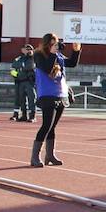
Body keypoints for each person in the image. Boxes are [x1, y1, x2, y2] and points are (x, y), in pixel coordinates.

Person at [31, 35, 81, 166]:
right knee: (46, 125)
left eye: (56, 43)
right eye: (52, 44)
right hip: (47, 93)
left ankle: (50, 155)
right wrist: (53, 53)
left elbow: (71, 63)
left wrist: (76, 51)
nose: (56, 46)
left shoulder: (58, 56)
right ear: (46, 44)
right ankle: (35, 157)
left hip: (60, 93)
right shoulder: (39, 55)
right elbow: (47, 68)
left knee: (52, 127)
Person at [10, 44, 37, 122]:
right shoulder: (18, 59)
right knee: (22, 99)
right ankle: (24, 115)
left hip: (30, 81)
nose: (29, 51)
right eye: (27, 49)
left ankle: (32, 116)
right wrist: (17, 75)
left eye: (30, 49)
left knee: (31, 98)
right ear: (23, 50)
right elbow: (12, 70)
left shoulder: (35, 59)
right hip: (20, 82)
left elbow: (32, 68)